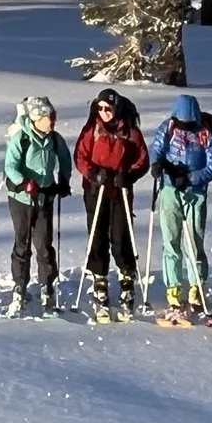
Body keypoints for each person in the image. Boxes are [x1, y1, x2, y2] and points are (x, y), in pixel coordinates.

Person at [73, 87, 149, 319]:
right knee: (97, 235)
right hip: (96, 189)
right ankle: (100, 280)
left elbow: (142, 159)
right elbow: (80, 157)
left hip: (121, 190)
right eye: (100, 108)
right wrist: (95, 174)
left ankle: (127, 279)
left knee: (121, 235)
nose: (104, 112)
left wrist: (129, 175)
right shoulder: (91, 130)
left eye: (108, 108)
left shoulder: (129, 130)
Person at [147, 94, 212, 324]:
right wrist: (157, 165)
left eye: (188, 124)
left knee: (194, 242)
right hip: (170, 190)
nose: (184, 128)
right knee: (171, 241)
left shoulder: (205, 133)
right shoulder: (168, 128)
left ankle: (196, 287)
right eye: (181, 123)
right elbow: (157, 149)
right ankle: (173, 291)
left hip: (195, 192)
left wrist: (191, 177)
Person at [1, 95, 73, 316]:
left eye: (52, 117)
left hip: (44, 198)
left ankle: (47, 287)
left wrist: (63, 180)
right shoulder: (21, 138)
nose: (51, 122)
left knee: (44, 245)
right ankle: (19, 289)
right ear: (35, 118)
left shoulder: (55, 139)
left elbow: (65, 159)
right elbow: (10, 166)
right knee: (22, 244)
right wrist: (24, 183)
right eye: (47, 118)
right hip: (22, 199)